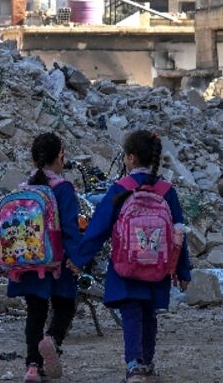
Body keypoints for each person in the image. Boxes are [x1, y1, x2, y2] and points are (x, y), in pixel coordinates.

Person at [72, 130, 192, 382]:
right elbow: (179, 233)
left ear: (130, 159)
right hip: (157, 267)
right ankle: (147, 362)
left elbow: (99, 228)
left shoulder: (120, 188)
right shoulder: (166, 190)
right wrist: (183, 271)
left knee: (131, 313)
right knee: (149, 313)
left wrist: (78, 258)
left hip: (126, 265)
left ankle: (133, 364)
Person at [6, 133, 82, 382]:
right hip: (56, 262)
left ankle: (32, 368)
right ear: (60, 156)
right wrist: (77, 258)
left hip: (28, 261)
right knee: (65, 307)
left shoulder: (25, 187)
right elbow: (70, 228)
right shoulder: (63, 188)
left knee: (34, 313)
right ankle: (52, 340)